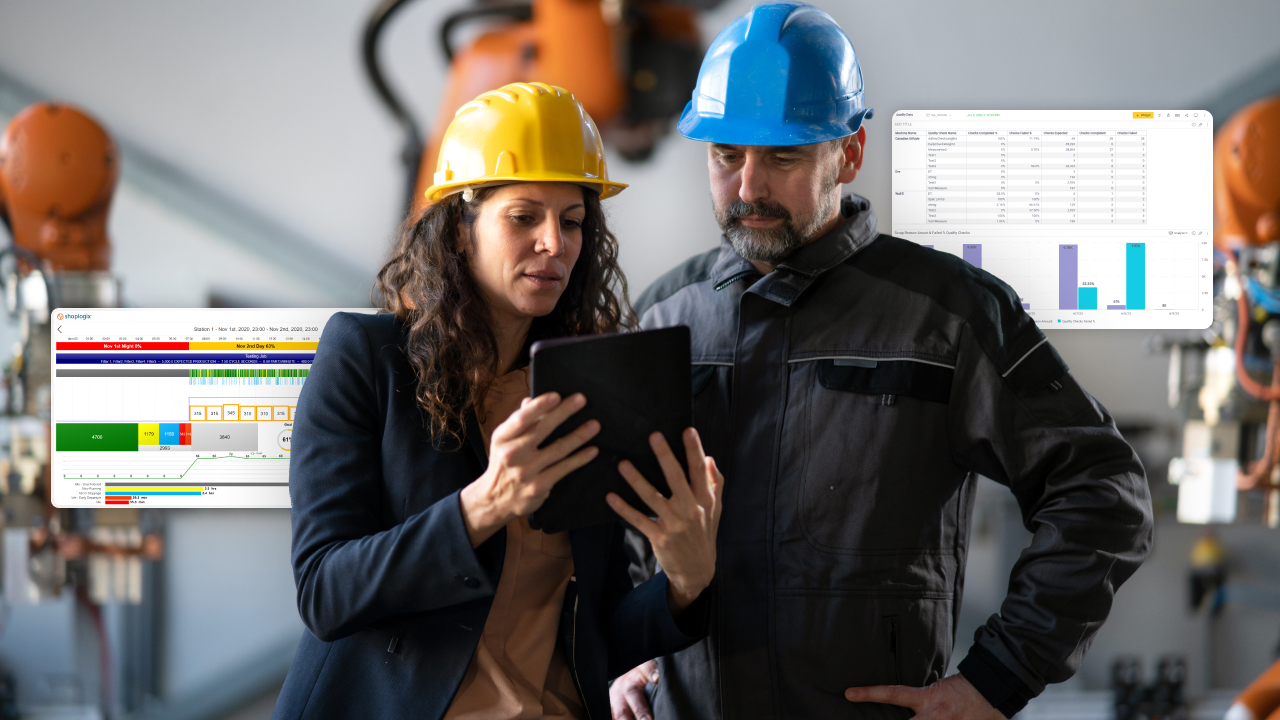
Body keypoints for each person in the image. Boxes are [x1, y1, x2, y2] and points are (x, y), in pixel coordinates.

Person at [609, 4, 1154, 720]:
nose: (748, 188)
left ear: (850, 153)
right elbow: (614, 513)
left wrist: (999, 676)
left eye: (782, 157)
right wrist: (622, 645)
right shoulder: (662, 315)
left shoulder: (948, 314)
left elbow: (1102, 492)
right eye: (726, 156)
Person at [272, 81, 725, 720]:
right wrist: (482, 506)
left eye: (572, 222)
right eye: (524, 216)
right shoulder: (367, 357)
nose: (554, 243)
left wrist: (686, 581)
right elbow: (325, 592)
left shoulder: (588, 383)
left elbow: (597, 635)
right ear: (460, 228)